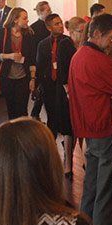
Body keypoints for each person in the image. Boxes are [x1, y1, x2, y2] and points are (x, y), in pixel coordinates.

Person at [67, 14, 112, 225]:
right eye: (111, 38)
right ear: (97, 34)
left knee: (90, 192)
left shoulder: (79, 55)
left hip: (88, 131)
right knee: (108, 194)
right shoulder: (99, 60)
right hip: (104, 130)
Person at [35, 13, 75, 169]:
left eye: (60, 23)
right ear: (48, 27)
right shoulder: (43, 44)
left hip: (63, 85)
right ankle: (50, 154)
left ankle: (68, 156)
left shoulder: (67, 43)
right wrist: (38, 83)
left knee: (65, 120)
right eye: (56, 24)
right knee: (51, 118)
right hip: (49, 86)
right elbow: (40, 65)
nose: (60, 26)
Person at [0, 7, 37, 120]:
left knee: (22, 109)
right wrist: (10, 56)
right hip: (7, 76)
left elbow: (32, 59)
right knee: (11, 109)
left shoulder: (29, 34)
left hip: (24, 76)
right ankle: (13, 135)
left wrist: (32, 79)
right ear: (15, 20)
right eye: (25, 18)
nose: (27, 20)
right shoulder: (3, 33)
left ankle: (23, 134)